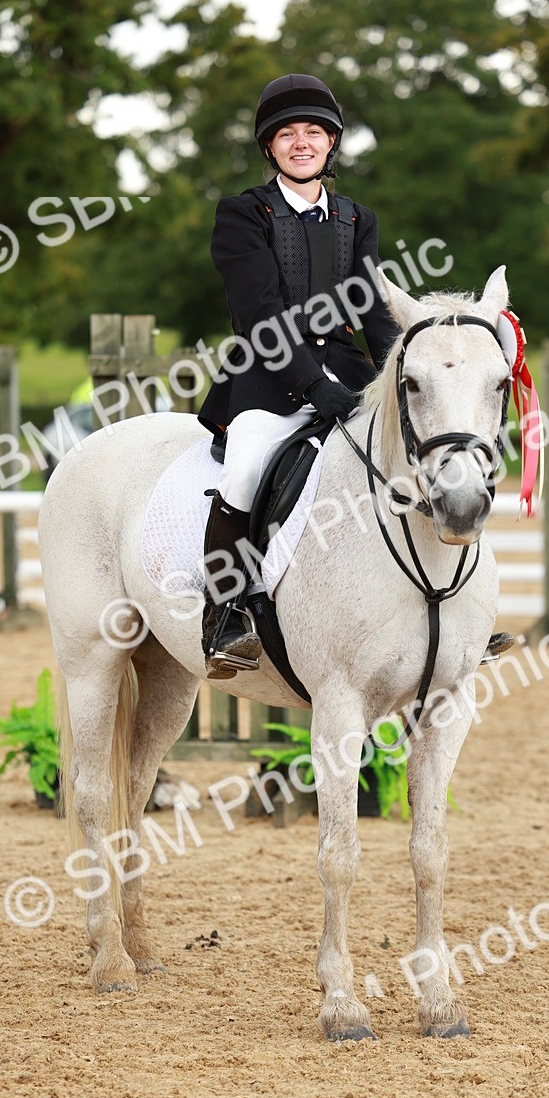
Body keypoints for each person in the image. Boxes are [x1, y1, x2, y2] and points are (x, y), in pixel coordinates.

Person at [197, 73, 399, 680]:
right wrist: (312, 387)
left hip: (347, 374)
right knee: (246, 467)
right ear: (270, 146)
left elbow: (374, 311)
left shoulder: (357, 218)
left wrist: (394, 377)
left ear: (331, 143)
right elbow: (259, 314)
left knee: (419, 452)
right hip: (267, 375)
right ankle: (225, 614)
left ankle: (449, 605)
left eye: (314, 132)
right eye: (287, 134)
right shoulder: (243, 214)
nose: (302, 143)